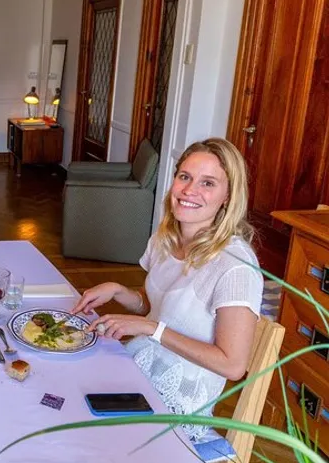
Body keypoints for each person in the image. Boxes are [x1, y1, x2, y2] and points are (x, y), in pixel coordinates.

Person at [72, 138, 263, 441]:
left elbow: (232, 365)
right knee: (58, 387)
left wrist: (151, 329)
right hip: (137, 372)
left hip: (177, 407)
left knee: (74, 429)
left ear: (228, 196)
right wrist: (118, 290)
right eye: (185, 177)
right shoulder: (165, 239)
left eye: (208, 183)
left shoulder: (235, 265)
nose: (189, 190)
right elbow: (156, 307)